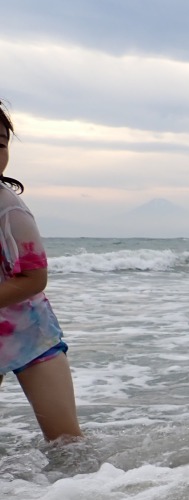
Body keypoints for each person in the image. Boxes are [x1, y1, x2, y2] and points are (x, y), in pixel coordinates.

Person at [0, 101, 82, 442]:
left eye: (1, 144)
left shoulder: (9, 207)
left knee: (67, 443)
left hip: (30, 336)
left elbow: (34, 279)